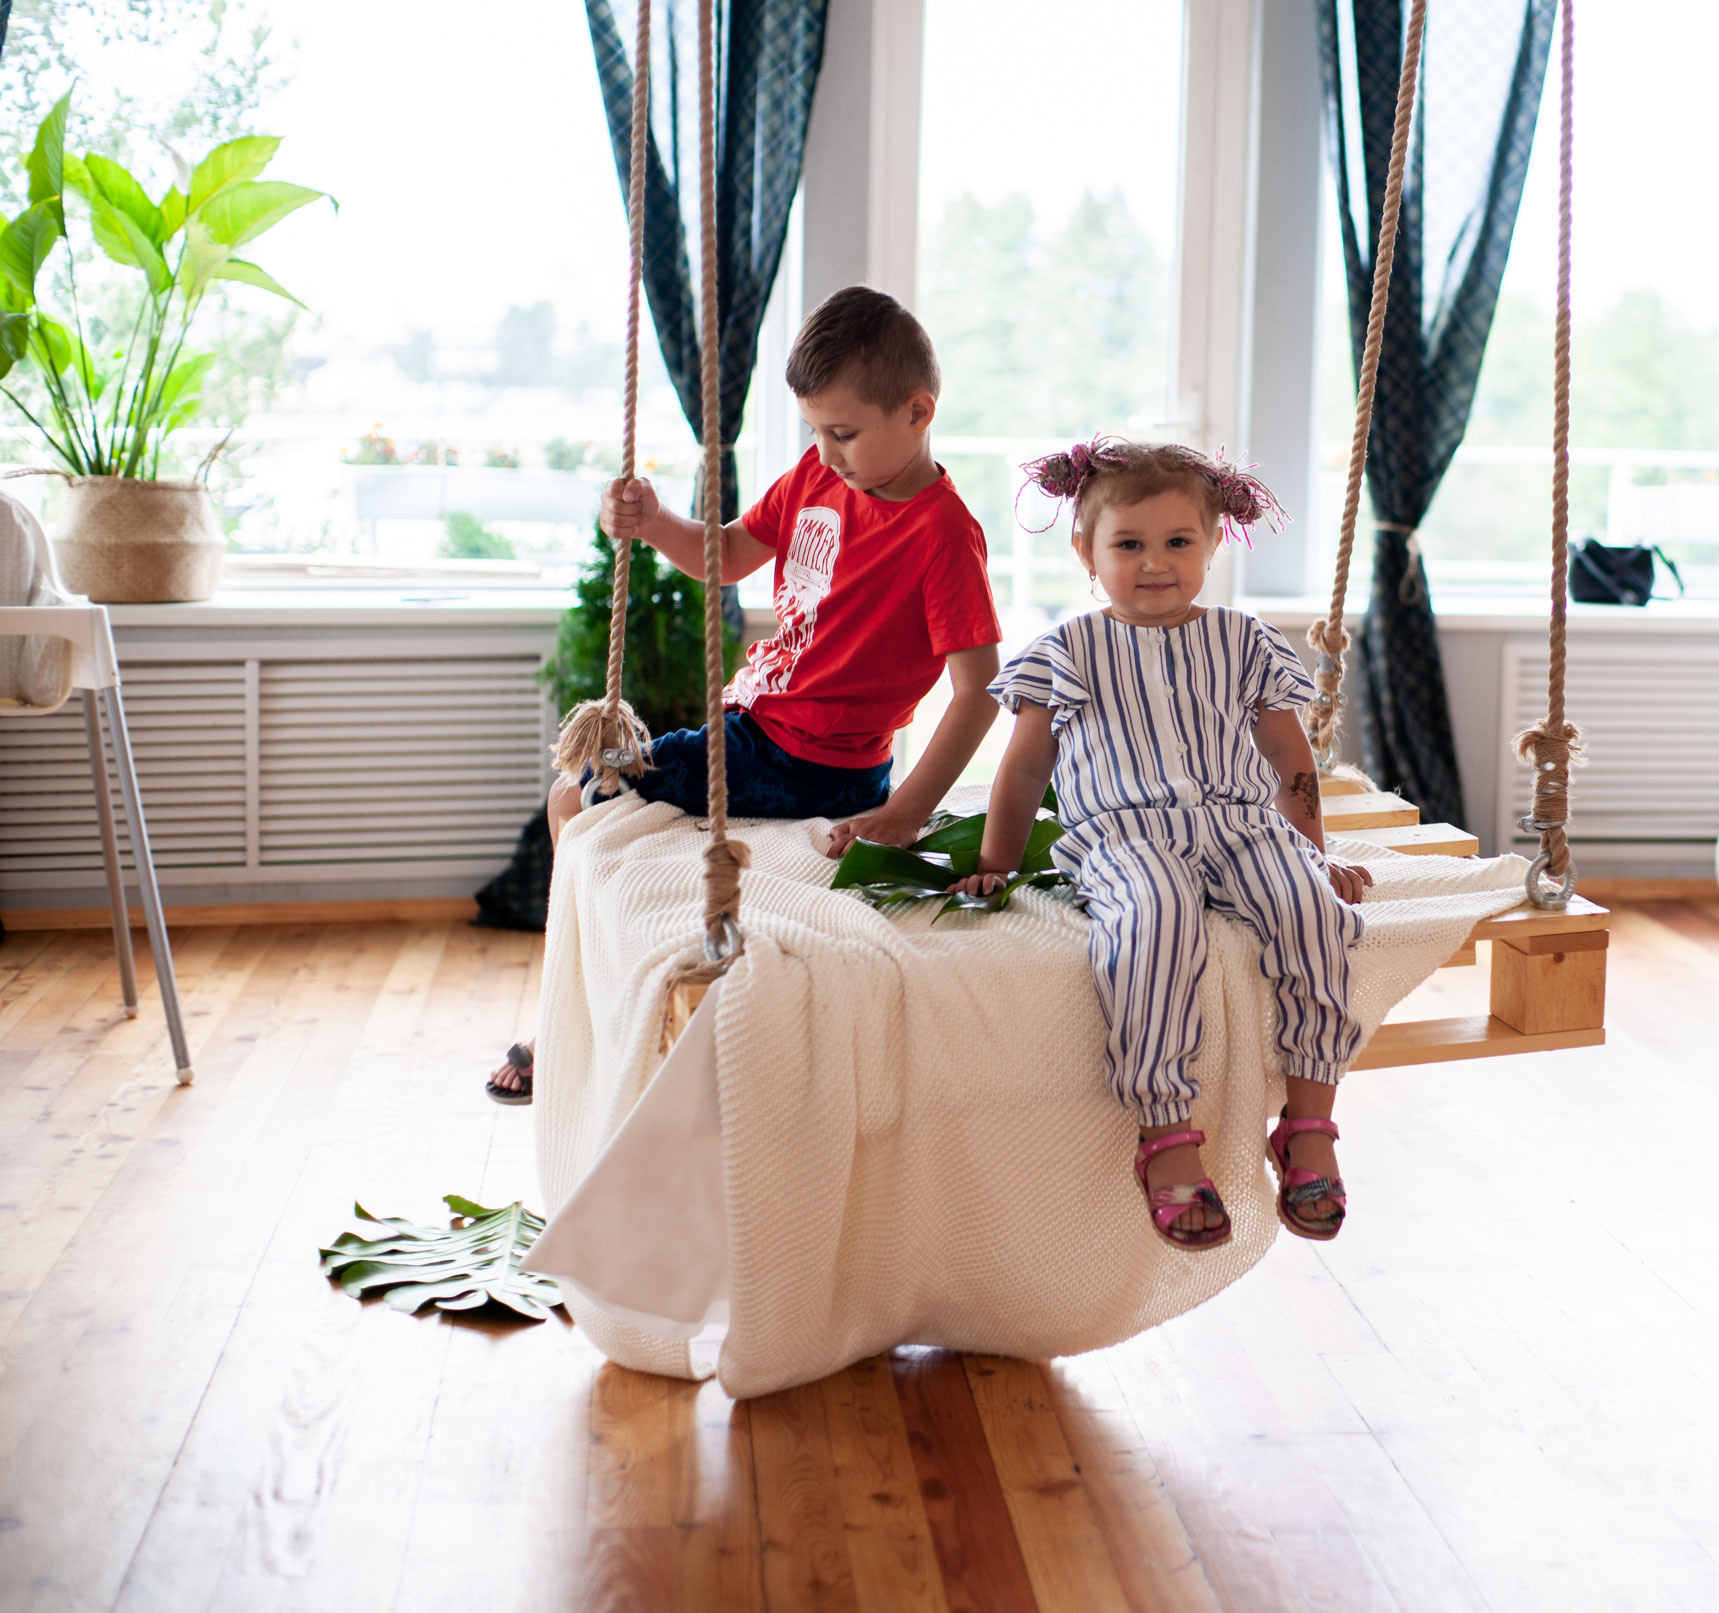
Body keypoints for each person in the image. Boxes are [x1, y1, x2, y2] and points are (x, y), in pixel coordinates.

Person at [486, 285, 1003, 1103]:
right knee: (579, 798)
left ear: (916, 411)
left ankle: (569, 1017)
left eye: (843, 433)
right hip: (760, 732)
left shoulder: (942, 533)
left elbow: (979, 691)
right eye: (814, 431)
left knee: (569, 796)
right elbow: (725, 556)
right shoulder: (816, 477)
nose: (826, 451)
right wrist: (654, 521)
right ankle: (588, 1000)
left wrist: (904, 811)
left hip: (800, 760)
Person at [949, 440, 1370, 1248]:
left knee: (1312, 913)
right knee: (1153, 922)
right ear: (1086, 551)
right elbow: (1025, 766)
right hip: (1126, 834)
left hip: (1243, 826)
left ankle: (1308, 1124)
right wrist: (995, 865)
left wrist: (1313, 854)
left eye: (1178, 541)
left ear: (1212, 544)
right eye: (1128, 543)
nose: (1154, 562)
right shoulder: (1067, 650)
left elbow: (1289, 757)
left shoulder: (1244, 640)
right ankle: (1166, 1131)